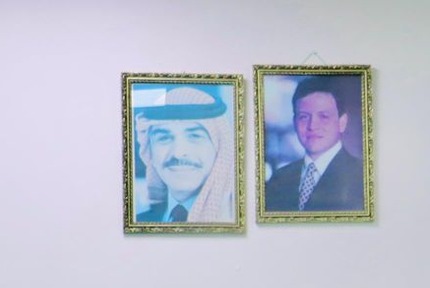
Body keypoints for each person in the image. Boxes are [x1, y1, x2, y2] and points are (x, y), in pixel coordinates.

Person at [133, 84, 237, 224]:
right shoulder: (140, 223)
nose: (178, 153)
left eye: (195, 136)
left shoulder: (234, 220)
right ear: (149, 150)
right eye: (164, 138)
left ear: (219, 148)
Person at [262, 74, 365, 213]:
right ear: (294, 122)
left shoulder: (361, 176)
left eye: (323, 116)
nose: (312, 126)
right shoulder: (279, 179)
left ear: (342, 122)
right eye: (304, 117)